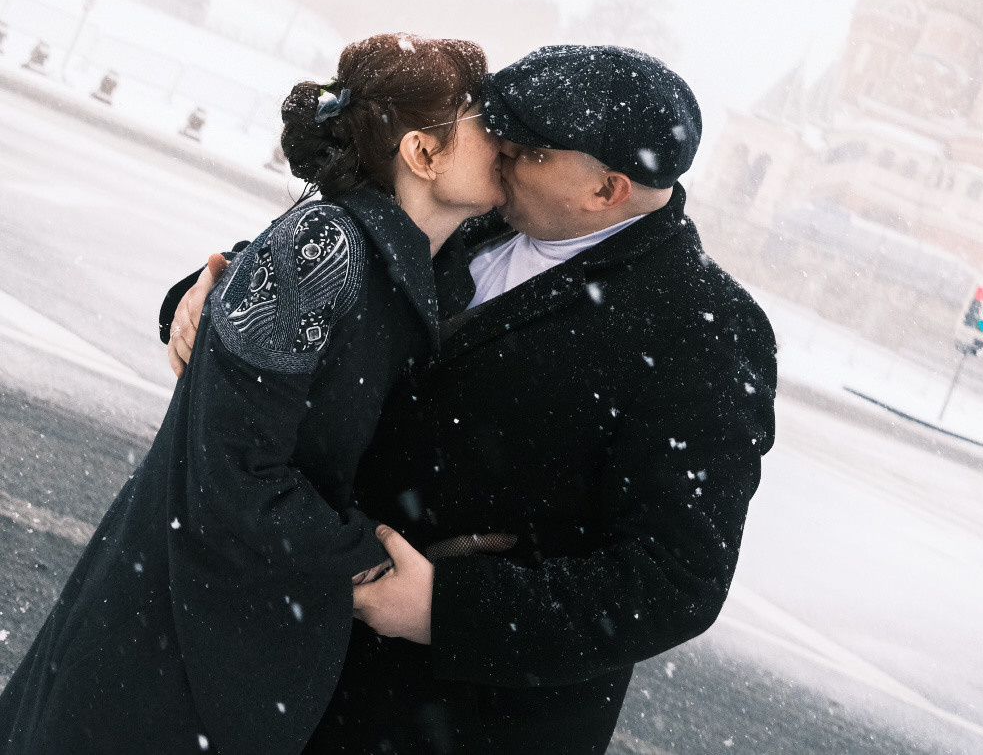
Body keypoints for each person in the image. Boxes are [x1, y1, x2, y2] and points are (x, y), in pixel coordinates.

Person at [166, 44, 778, 755]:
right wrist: (200, 297)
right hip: (287, 661)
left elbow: (677, 579)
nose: (498, 150)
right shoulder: (475, 209)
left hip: (459, 721)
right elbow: (312, 268)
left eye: (528, 148)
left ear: (606, 191)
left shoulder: (704, 329)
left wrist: (447, 610)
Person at [0, 33, 506, 755]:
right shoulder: (325, 242)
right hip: (181, 623)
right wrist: (375, 560)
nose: (508, 138)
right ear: (423, 154)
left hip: (249, 627)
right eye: (486, 123)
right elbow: (235, 469)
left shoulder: (427, 254)